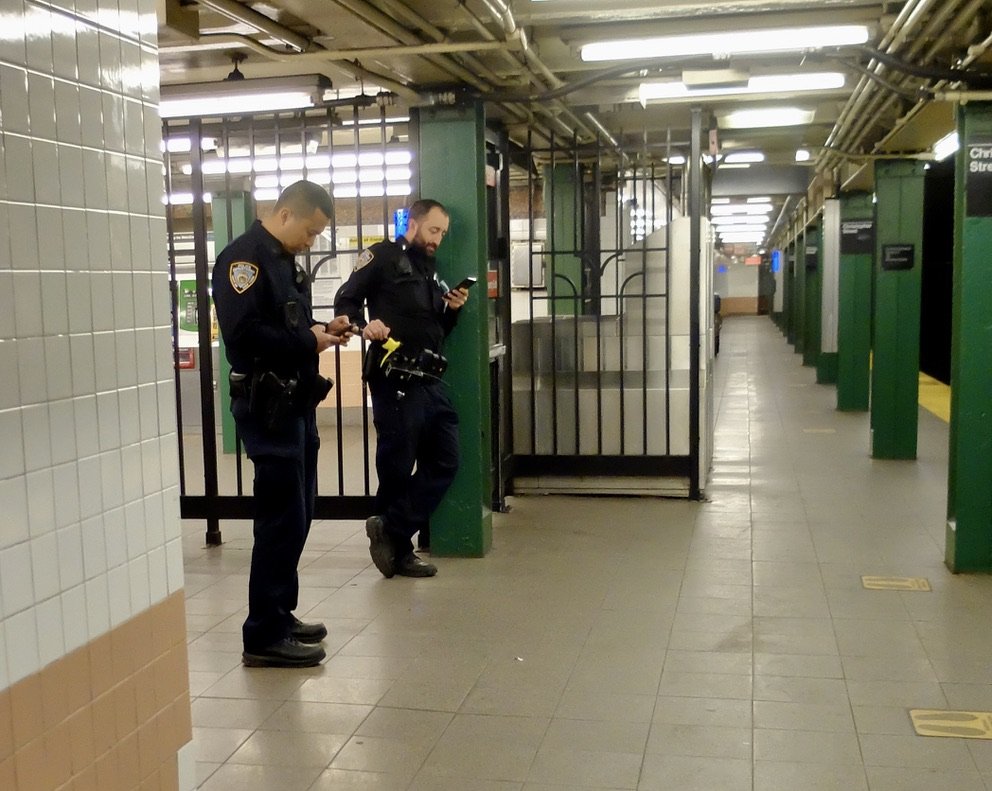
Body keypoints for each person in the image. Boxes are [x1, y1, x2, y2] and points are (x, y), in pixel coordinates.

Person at [212, 180, 355, 668]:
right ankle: (263, 635)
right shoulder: (244, 260)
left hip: (294, 404)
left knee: (299, 511)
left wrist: (319, 330)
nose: (312, 242)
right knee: (279, 517)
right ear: (287, 214)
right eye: (311, 232)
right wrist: (307, 344)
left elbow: (288, 324)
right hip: (266, 405)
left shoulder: (280, 260)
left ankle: (280, 612)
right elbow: (244, 333)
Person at [333, 199, 470, 579]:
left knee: (446, 459)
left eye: (442, 233)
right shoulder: (381, 256)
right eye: (433, 230)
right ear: (412, 223)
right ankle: (400, 550)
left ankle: (389, 527)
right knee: (396, 464)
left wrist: (452, 309)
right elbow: (346, 299)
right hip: (394, 377)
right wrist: (365, 325)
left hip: (430, 378)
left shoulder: (430, 271)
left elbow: (437, 331)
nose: (437, 239)